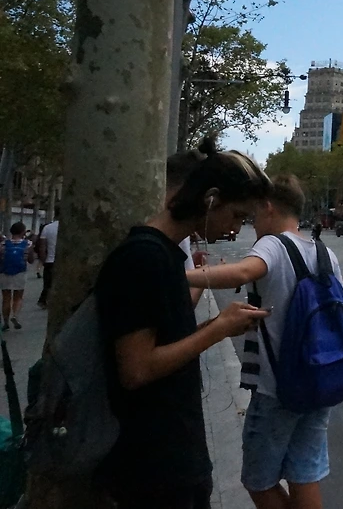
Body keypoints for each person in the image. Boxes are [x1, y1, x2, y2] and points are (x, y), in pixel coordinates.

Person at [95, 145, 271, 509]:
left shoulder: (166, 254)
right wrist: (217, 328)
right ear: (211, 199)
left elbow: (166, 340)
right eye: (237, 215)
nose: (236, 228)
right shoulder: (143, 257)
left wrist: (219, 324)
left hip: (175, 456)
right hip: (153, 465)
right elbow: (136, 369)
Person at [188, 175, 342, 509]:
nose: (253, 223)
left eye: (254, 215)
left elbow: (245, 272)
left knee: (258, 481)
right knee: (304, 474)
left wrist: (182, 275)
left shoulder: (272, 244)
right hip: (320, 381)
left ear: (269, 207)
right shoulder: (325, 253)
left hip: (276, 389)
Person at [0, 223, 35, 329]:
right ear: (23, 232)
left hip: (5, 272)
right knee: (18, 297)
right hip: (20, 272)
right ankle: (15, 316)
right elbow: (31, 260)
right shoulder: (28, 244)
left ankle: (5, 322)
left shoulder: (3, 244)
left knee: (6, 298)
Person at [36, 208, 59, 308]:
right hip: (62, 261)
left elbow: (42, 247)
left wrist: (43, 261)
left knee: (47, 284)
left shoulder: (47, 228)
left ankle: (43, 301)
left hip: (50, 260)